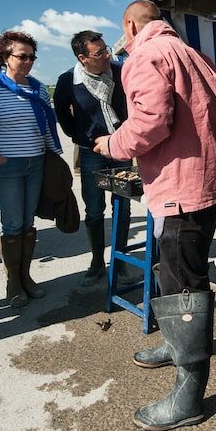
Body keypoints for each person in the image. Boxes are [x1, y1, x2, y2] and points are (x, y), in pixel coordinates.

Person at [94, 0, 216, 431]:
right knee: (178, 270)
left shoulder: (143, 54)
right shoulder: (194, 54)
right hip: (207, 180)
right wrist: (206, 137)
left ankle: (188, 395)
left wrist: (112, 145)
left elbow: (150, 122)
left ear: (130, 25)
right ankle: (176, 346)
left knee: (185, 284)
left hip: (182, 188)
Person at [0, 31, 62, 307]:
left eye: (32, 56)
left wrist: (54, 158)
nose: (28, 61)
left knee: (28, 223)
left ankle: (26, 277)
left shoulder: (37, 89)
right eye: (21, 56)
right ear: (4, 57)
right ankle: (13, 282)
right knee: (11, 223)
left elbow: (46, 127)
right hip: (8, 166)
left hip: (36, 163)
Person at [54, 30, 132, 286]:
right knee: (94, 209)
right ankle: (97, 261)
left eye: (106, 49)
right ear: (82, 57)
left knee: (123, 206)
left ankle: (120, 260)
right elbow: (63, 114)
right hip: (92, 154)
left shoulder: (120, 71)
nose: (106, 56)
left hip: (121, 149)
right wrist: (81, 136)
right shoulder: (68, 81)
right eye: (99, 53)